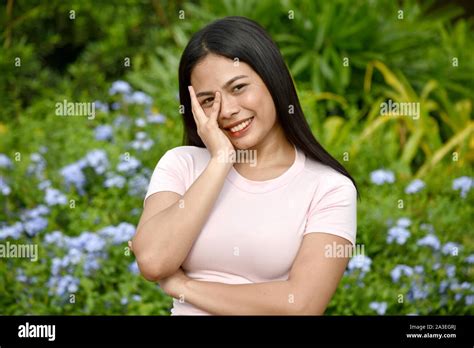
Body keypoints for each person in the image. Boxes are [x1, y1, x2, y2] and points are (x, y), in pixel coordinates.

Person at [130, 16, 358, 315]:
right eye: (208, 100)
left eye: (238, 87)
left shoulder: (328, 188)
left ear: (273, 78)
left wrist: (184, 287)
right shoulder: (181, 164)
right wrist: (220, 161)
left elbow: (301, 305)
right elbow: (153, 261)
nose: (227, 110)